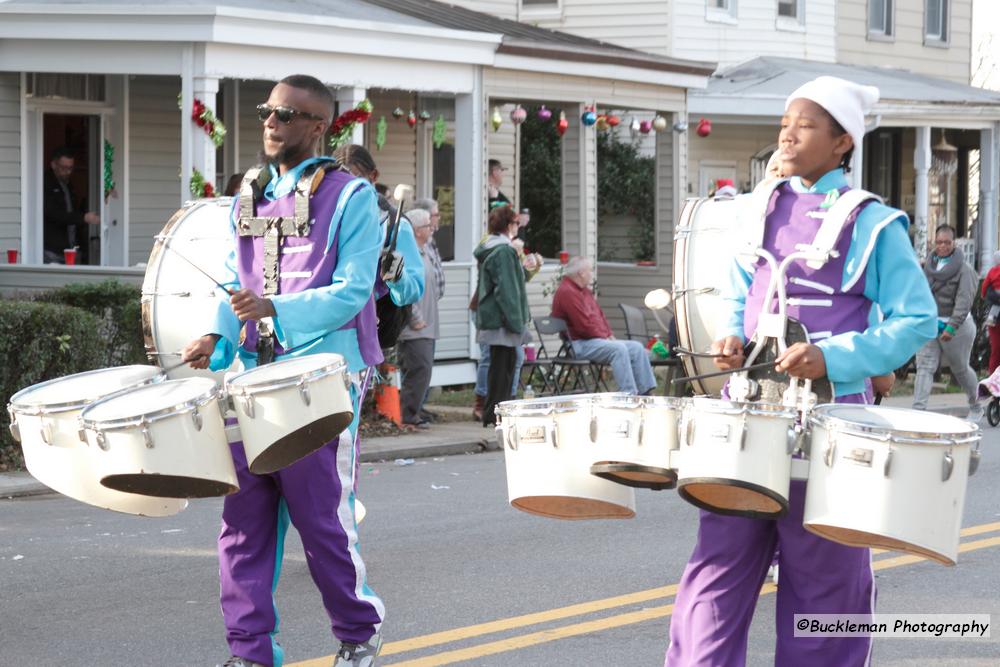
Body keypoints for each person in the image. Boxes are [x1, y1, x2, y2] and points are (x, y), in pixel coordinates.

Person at [666, 76, 936, 666]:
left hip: (834, 429)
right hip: (749, 416)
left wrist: (833, 356)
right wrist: (732, 337)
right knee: (715, 573)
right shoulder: (754, 209)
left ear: (843, 142)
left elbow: (918, 320)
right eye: (786, 122)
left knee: (826, 585)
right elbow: (743, 297)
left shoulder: (873, 223)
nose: (788, 133)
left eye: (807, 124)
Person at [181, 74, 385, 667]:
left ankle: (357, 632)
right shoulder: (248, 191)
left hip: (321, 378)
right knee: (242, 521)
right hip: (249, 375)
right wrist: (217, 335)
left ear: (319, 127)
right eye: (267, 111)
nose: (271, 121)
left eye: (287, 114)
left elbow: (353, 291)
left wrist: (276, 310)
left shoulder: (351, 196)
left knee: (320, 518)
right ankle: (250, 651)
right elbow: (231, 276)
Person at [550, 256, 657, 395]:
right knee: (618, 349)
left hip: (595, 339)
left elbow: (600, 316)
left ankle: (646, 392)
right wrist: (604, 337)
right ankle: (629, 394)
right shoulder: (567, 292)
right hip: (579, 344)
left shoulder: (583, 291)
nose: (591, 274)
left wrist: (609, 334)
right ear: (581, 273)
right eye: (589, 270)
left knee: (636, 348)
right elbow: (583, 326)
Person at [912, 224, 982, 418]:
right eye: (939, 242)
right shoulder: (927, 266)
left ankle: (976, 404)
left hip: (957, 327)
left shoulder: (965, 270)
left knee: (960, 369)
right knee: (924, 367)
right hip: (930, 325)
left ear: (954, 243)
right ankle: (918, 412)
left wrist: (951, 327)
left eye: (947, 242)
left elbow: (964, 301)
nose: (942, 246)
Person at [475, 205, 530, 426]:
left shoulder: (494, 248)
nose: (518, 226)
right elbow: (507, 290)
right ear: (508, 225)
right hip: (503, 321)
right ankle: (497, 414)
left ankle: (495, 413)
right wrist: (517, 322)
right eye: (516, 223)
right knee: (502, 370)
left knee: (502, 366)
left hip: (496, 318)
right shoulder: (504, 251)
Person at [396, 208, 440, 430]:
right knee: (417, 368)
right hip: (415, 326)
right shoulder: (409, 253)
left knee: (424, 369)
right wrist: (415, 317)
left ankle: (416, 411)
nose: (430, 229)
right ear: (415, 230)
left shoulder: (425, 251)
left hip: (429, 324)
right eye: (426, 226)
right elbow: (406, 289)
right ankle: (408, 415)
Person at [43, 147, 99, 264]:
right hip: (52, 249)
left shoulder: (68, 185)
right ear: (53, 165)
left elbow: (73, 210)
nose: (68, 172)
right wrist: (83, 218)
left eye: (70, 168)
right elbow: (53, 213)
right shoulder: (44, 183)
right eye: (64, 168)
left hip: (71, 246)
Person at [981, 251, 1000, 373]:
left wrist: (985, 295)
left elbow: (984, 289)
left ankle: (992, 377)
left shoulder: (991, 272)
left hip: (994, 311)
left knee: (995, 348)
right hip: (994, 311)